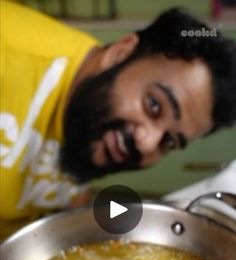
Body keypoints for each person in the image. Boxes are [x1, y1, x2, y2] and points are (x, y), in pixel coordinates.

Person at [1, 1, 236, 237]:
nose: (147, 143)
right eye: (153, 105)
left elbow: (70, 193)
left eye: (169, 141)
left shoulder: (93, 122)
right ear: (121, 53)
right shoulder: (8, 49)